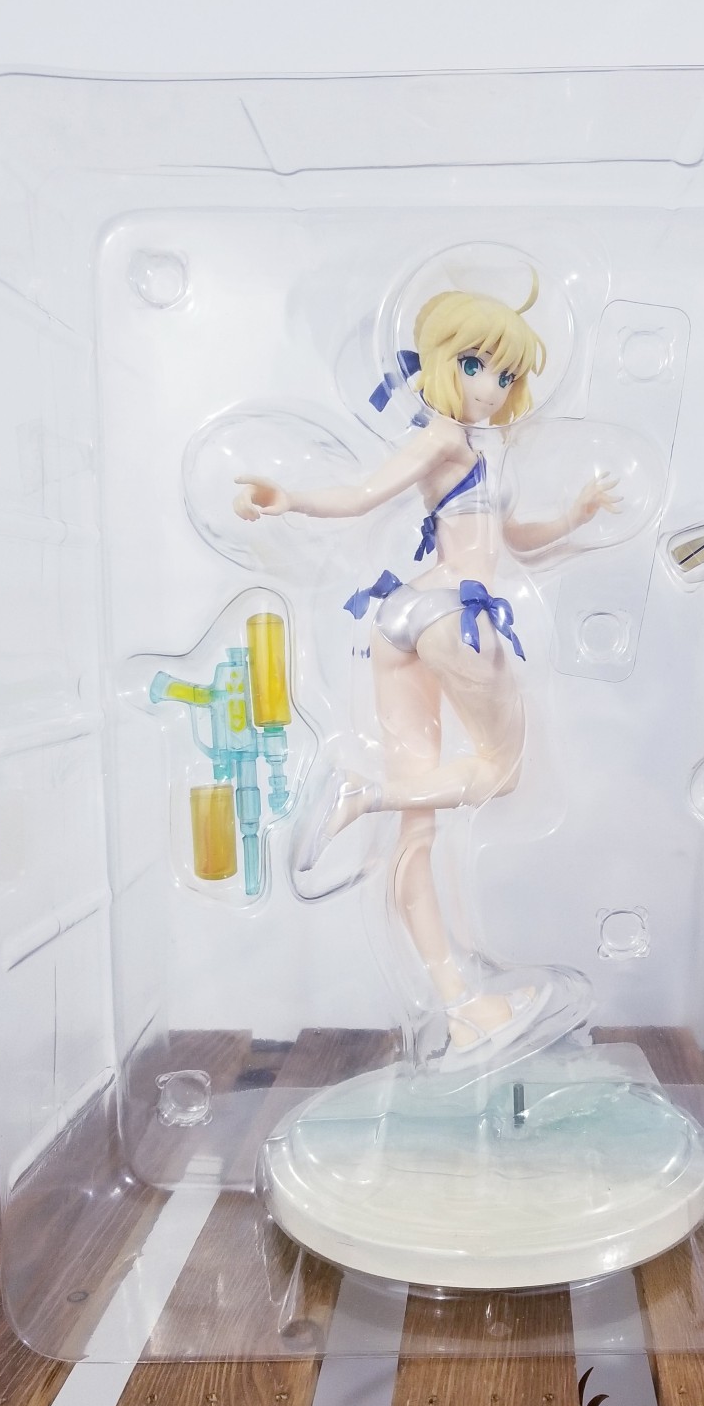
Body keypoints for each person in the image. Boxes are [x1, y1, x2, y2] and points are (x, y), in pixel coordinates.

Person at [234, 273, 617, 1060]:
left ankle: (458, 1006)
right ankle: (364, 793)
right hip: (452, 616)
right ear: (442, 363)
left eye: (505, 375)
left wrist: (576, 519)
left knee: (417, 834)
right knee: (501, 771)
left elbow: (517, 539)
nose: (490, 388)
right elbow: (363, 493)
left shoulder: (480, 448)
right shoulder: (444, 439)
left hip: (403, 617)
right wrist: (290, 499)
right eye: (476, 366)